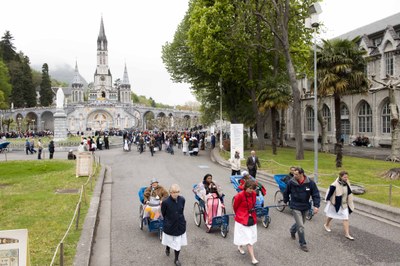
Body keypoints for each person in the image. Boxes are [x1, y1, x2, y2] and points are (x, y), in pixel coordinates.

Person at [283, 167, 320, 252]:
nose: (294, 175)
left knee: (301, 223)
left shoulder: (310, 183)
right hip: (295, 206)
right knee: (301, 226)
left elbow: (315, 194)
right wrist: (285, 201)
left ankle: (292, 230)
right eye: (294, 174)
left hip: (305, 206)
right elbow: (286, 192)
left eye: (296, 174)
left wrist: (316, 206)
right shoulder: (291, 182)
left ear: (302, 174)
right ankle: (303, 244)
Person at [324, 171, 355, 240]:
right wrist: (328, 200)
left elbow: (349, 192)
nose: (346, 178)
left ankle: (347, 234)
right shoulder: (334, 184)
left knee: (346, 218)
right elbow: (329, 193)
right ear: (341, 177)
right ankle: (326, 224)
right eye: (344, 177)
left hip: (344, 204)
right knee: (331, 215)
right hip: (335, 203)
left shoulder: (347, 183)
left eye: (347, 177)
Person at [233, 180, 259, 265]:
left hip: (251, 216)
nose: (251, 190)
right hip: (242, 217)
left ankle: (240, 246)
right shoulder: (239, 195)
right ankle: (253, 258)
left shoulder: (254, 194)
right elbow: (235, 207)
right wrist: (239, 215)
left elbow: (253, 204)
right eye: (250, 189)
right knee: (248, 238)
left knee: (247, 235)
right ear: (246, 187)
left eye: (253, 189)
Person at [161, 184, 187, 266]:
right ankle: (167, 248)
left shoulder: (182, 199)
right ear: (170, 192)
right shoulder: (165, 202)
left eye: (178, 192)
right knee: (169, 240)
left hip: (180, 224)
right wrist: (169, 220)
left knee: (177, 242)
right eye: (174, 192)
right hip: (170, 224)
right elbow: (163, 213)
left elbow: (182, 211)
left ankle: (176, 259)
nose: (176, 194)